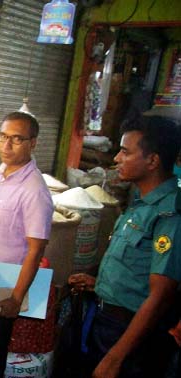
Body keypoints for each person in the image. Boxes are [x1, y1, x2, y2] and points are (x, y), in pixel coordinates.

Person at [68, 115, 181, 378]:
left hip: (130, 333)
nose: (117, 158)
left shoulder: (169, 215)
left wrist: (115, 358)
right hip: (107, 321)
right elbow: (136, 268)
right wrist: (101, 284)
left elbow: (160, 295)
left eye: (125, 152)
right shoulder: (142, 202)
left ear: (152, 160)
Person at [0, 111, 54, 378]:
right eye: (3, 137)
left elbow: (36, 249)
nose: (6, 145)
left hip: (4, 284)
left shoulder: (34, 190)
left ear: (33, 143)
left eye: (16, 139)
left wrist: (16, 298)